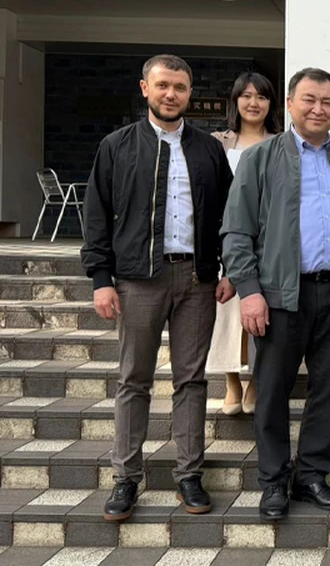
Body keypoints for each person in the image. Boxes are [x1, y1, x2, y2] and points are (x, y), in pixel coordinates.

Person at [81, 54, 234, 522]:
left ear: (190, 94)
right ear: (145, 88)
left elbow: (229, 214)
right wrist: (101, 279)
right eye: (163, 85)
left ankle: (189, 474)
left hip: (197, 279)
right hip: (137, 279)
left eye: (180, 87)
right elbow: (96, 215)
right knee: (134, 379)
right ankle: (126, 477)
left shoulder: (208, 149)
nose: (171, 94)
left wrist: (231, 269)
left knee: (192, 379)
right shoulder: (116, 146)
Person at [221, 68, 330, 522]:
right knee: (271, 391)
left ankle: (311, 475)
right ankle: (273, 480)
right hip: (278, 296)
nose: (318, 109)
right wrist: (249, 291)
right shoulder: (261, 159)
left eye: (327, 101)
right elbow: (236, 230)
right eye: (309, 99)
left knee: (328, 389)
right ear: (289, 104)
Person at [206, 72, 282, 416]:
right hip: (227, 240)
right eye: (247, 96)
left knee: (263, 312)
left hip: (268, 242)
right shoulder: (217, 143)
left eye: (262, 97)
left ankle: (255, 381)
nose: (254, 103)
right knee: (227, 315)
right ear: (235, 101)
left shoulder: (281, 144)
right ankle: (231, 381)